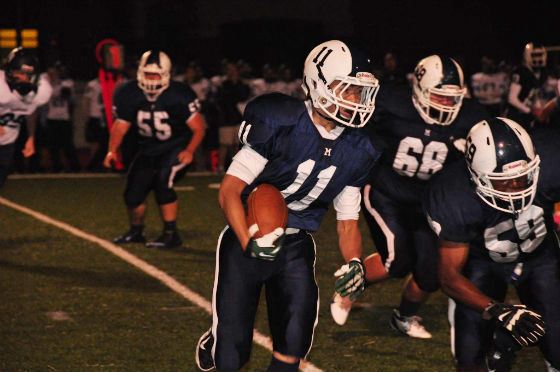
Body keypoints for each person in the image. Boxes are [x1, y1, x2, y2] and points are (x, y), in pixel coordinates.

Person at [194, 40, 380, 372]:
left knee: (294, 341)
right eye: (347, 89)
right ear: (318, 83)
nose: (355, 100)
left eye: (359, 92)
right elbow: (229, 191)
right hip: (247, 238)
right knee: (231, 355)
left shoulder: (358, 148)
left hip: (296, 244)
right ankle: (218, 338)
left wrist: (353, 262)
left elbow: (348, 222)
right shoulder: (282, 121)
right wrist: (249, 241)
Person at [330, 55, 488, 338]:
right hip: (386, 191)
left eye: (452, 99)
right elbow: (352, 131)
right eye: (439, 97)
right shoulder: (390, 104)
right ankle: (347, 288)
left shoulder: (471, 119)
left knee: (430, 273)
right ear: (420, 90)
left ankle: (403, 317)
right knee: (397, 260)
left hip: (428, 201)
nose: (446, 105)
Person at [425, 117, 559, 372]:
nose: (516, 188)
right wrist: (497, 310)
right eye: (504, 182)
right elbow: (449, 276)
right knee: (471, 359)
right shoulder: (453, 195)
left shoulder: (553, 158)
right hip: (482, 261)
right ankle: (497, 342)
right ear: (476, 176)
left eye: (523, 177)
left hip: (540, 255)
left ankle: (508, 343)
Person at [103, 50, 205, 249]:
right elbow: (120, 125)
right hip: (149, 148)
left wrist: (190, 150)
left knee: (162, 181)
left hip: (177, 145)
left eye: (155, 74)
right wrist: (112, 150)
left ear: (166, 74)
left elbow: (198, 128)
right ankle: (136, 232)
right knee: (133, 192)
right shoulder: (128, 92)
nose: (151, 78)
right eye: (147, 73)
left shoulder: (179, 94)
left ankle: (170, 234)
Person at [0, 47, 52, 187]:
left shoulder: (40, 91)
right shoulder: (1, 86)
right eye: (19, 73)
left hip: (7, 143)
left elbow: (30, 111)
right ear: (9, 72)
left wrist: (31, 137)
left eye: (28, 74)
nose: (23, 78)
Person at [213, 61, 250, 173]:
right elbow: (222, 100)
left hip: (239, 117)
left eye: (234, 70)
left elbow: (244, 97)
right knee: (224, 144)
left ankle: (236, 167)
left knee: (237, 145)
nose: (232, 72)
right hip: (226, 118)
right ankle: (220, 167)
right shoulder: (223, 84)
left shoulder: (242, 84)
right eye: (230, 70)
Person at [44, 62, 80, 172]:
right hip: (51, 118)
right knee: (53, 146)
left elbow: (67, 95)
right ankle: (56, 166)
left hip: (64, 118)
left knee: (67, 145)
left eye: (54, 73)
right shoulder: (47, 85)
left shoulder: (66, 83)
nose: (52, 75)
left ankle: (74, 167)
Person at [506, 43, 548, 130]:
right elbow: (512, 99)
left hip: (528, 116)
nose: (537, 58)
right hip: (516, 116)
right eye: (535, 55)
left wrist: (539, 109)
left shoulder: (542, 73)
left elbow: (535, 94)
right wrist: (530, 111)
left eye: (540, 55)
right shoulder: (520, 72)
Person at [83, 77, 108, 172]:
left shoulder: (112, 83)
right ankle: (94, 165)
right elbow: (86, 101)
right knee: (94, 143)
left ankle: (104, 164)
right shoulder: (92, 84)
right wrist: (87, 116)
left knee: (106, 143)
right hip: (95, 116)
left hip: (107, 117)